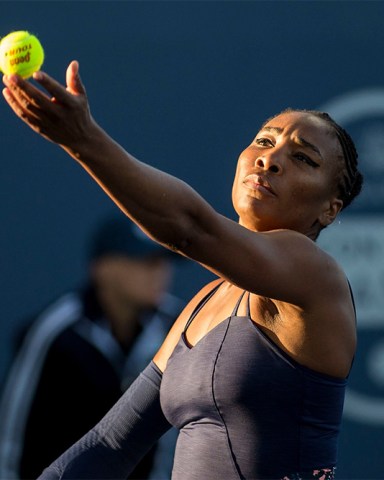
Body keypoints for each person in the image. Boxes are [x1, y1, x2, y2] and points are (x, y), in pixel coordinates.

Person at [2, 61, 364, 480]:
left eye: (303, 158)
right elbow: (111, 444)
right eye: (264, 141)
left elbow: (189, 228)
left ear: (330, 208)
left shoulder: (316, 277)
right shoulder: (201, 306)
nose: (271, 160)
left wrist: (84, 139)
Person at [0, 213, 184, 480]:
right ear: (103, 268)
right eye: (145, 261)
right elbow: (12, 436)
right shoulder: (54, 331)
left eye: (163, 261)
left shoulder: (179, 326)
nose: (160, 272)